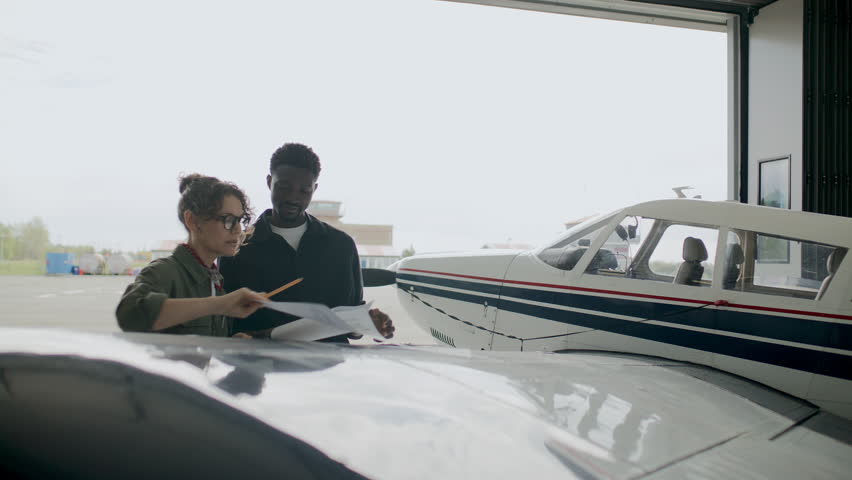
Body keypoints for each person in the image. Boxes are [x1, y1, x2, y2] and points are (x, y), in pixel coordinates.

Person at [219, 142, 395, 341]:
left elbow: (352, 323)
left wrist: (369, 323)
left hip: (331, 368)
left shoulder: (341, 246)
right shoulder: (237, 248)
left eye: (304, 191)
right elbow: (224, 322)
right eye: (284, 187)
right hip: (261, 367)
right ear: (269, 182)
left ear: (315, 188)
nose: (293, 198)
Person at [116, 174, 267, 336]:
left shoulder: (215, 281)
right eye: (228, 220)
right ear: (193, 221)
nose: (238, 230)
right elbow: (130, 315)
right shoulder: (165, 272)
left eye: (240, 220)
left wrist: (226, 343)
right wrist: (220, 304)